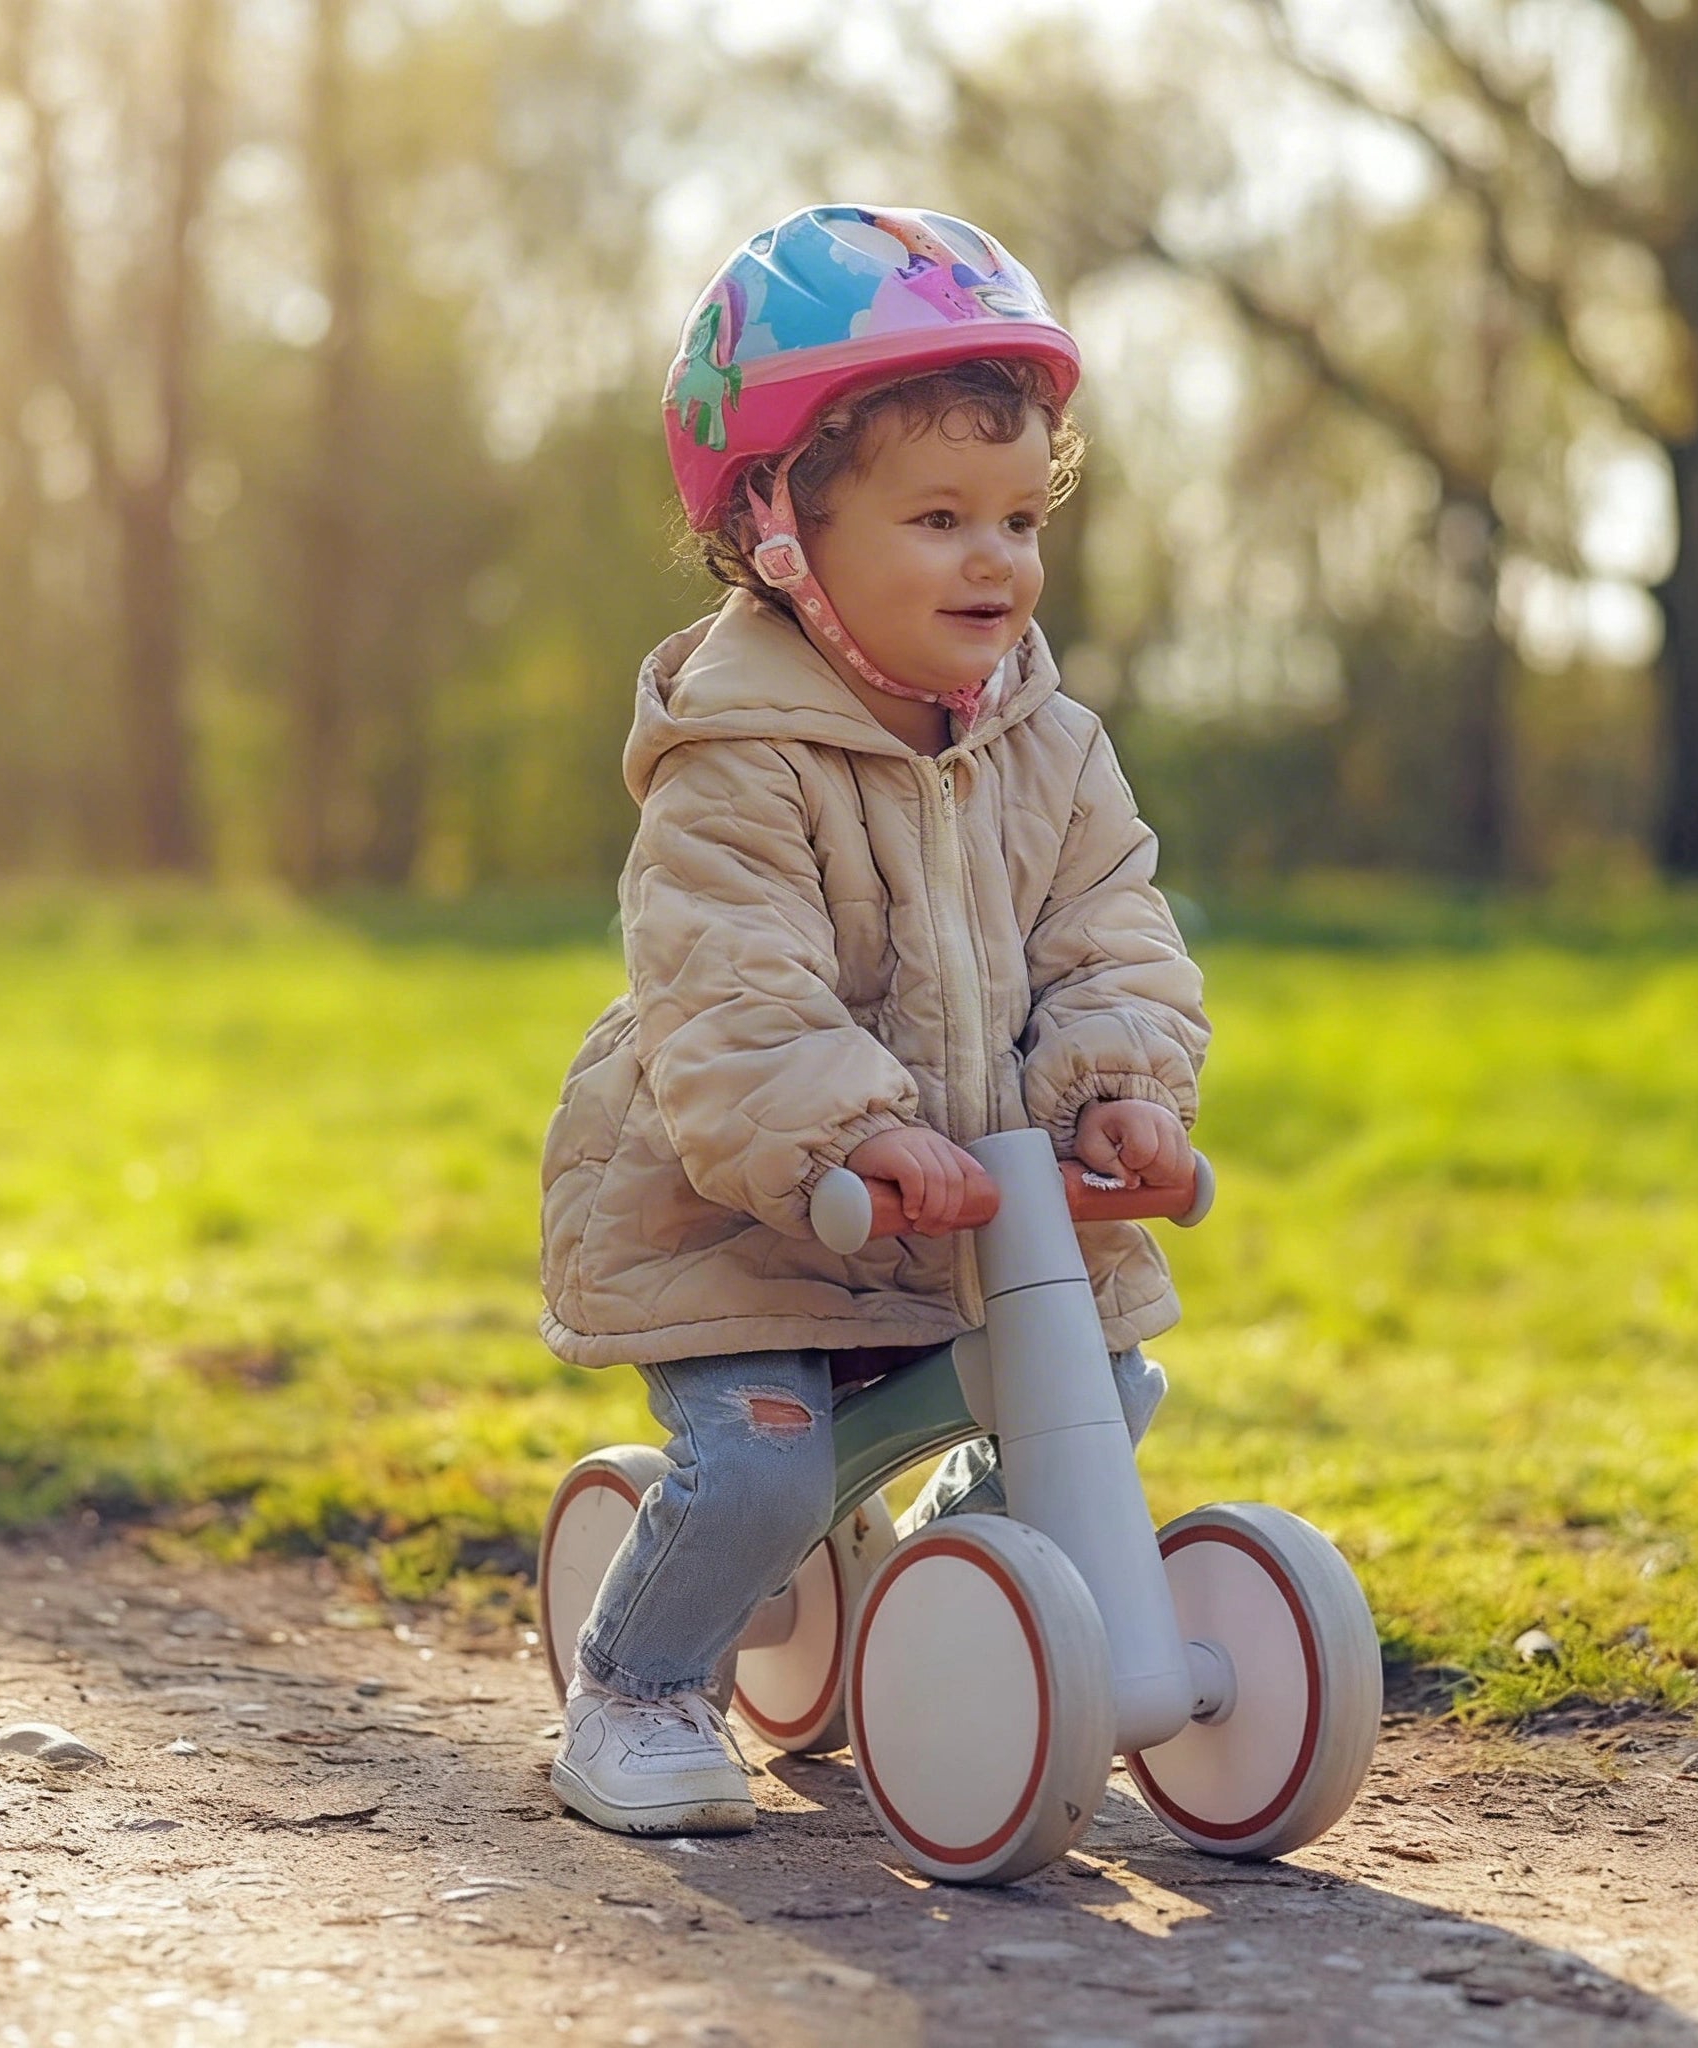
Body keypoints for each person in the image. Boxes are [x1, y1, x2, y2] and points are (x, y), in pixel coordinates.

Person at [539, 204, 1209, 1837]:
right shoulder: (731, 764)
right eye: (935, 518)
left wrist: (1114, 1088)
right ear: (781, 528)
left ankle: (969, 1595)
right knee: (764, 1470)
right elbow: (733, 991)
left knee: (1104, 1395)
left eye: (1015, 516)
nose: (995, 559)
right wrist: (851, 1132)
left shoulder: (1055, 747)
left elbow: (1112, 927)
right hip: (754, 1224)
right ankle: (635, 1687)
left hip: (975, 1226)